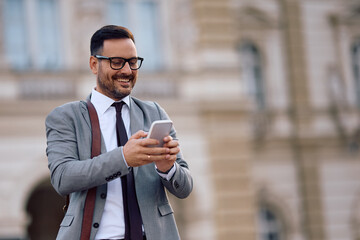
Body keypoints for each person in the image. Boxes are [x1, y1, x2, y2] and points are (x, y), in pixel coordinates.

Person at [45, 25, 193, 240]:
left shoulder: (154, 112)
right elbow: (63, 178)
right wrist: (124, 158)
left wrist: (168, 168)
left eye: (133, 62)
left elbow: (184, 188)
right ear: (94, 64)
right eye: (117, 62)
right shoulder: (66, 117)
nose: (127, 70)